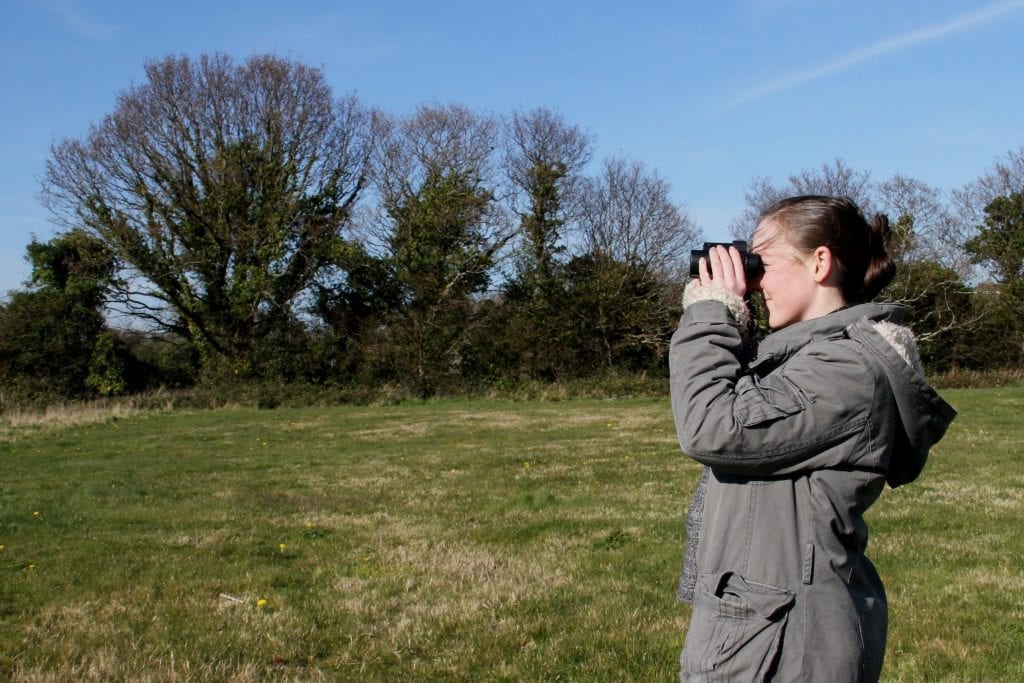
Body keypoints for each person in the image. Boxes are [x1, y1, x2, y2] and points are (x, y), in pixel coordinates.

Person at [669, 195, 957, 682]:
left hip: (790, 645)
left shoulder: (847, 369)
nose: (753, 280)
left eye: (764, 260)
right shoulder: (810, 360)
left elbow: (714, 428)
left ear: (820, 262)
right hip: (766, 631)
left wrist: (713, 314)